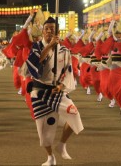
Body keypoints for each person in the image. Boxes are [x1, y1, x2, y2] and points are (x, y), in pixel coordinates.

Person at [27, 17, 83, 166]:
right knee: (44, 129)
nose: (49, 31)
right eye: (47, 29)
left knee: (74, 114)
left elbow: (68, 71)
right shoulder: (37, 46)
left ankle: (62, 144)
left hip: (56, 91)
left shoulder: (64, 50)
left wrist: (61, 86)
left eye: (53, 28)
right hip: (39, 91)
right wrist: (50, 46)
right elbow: (36, 63)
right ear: (43, 31)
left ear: (58, 31)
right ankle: (50, 157)